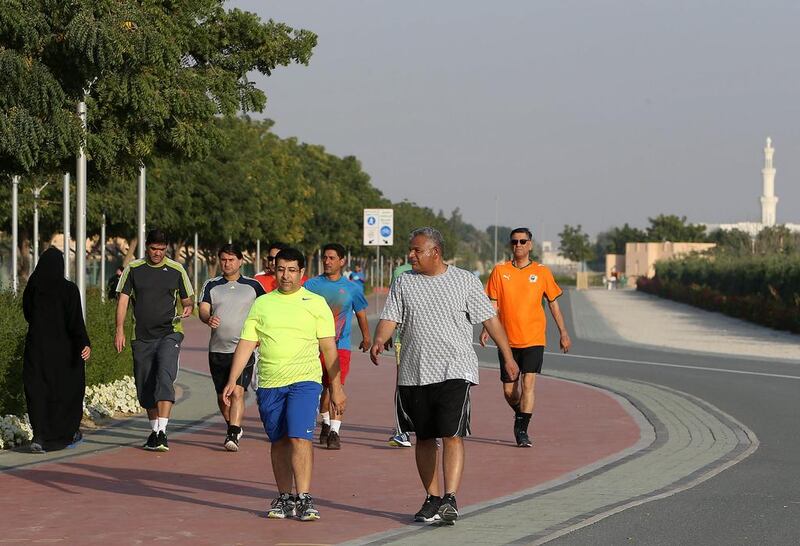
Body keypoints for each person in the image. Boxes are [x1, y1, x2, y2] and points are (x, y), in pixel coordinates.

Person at [370, 227, 519, 525]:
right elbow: (390, 318)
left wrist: (508, 355)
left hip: (455, 369)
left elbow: (489, 319)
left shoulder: (464, 281)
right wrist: (378, 339)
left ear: (435, 252)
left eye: (416, 250)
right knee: (425, 437)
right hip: (414, 371)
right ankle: (432, 497)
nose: (410, 255)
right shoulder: (404, 282)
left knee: (451, 434)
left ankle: (450, 497)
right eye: (410, 249)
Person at [223, 248, 346, 521]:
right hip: (269, 383)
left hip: (305, 381)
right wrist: (232, 380)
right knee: (278, 440)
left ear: (302, 273)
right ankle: (283, 496)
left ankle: (303, 497)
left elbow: (328, 349)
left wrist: (336, 386)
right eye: (281, 269)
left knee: (299, 437)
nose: (286, 276)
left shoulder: (315, 303)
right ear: (273, 270)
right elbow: (246, 343)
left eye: (292, 270)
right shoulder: (263, 303)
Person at [480, 228, 572, 447]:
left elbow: (553, 302)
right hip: (506, 341)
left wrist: (563, 332)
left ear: (530, 244)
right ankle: (522, 412)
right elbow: (493, 302)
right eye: (514, 242)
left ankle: (522, 431)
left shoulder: (542, 272)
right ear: (510, 245)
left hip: (534, 338)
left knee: (529, 383)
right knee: (509, 391)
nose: (518, 245)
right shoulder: (500, 271)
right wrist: (486, 328)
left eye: (523, 241)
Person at [115, 229, 194, 452]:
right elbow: (122, 301)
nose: (157, 253)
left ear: (166, 248)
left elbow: (188, 301)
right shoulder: (134, 269)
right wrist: (119, 330)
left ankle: (162, 432)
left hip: (170, 333)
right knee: (145, 385)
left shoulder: (176, 270)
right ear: (147, 247)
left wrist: (187, 308)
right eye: (153, 249)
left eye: (161, 249)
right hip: (141, 336)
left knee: (164, 376)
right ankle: (154, 431)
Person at [23, 248, 91, 453]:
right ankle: (64, 433)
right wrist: (84, 343)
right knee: (66, 390)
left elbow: (27, 314)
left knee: (38, 392)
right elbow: (75, 323)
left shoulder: (33, 288)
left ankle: (40, 435)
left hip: (37, 350)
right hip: (64, 352)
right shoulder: (68, 289)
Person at [199, 244, 265, 451]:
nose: (227, 264)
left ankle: (233, 433)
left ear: (240, 261)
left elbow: (266, 312)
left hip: (243, 350)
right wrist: (208, 318)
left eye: (231, 260)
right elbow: (203, 310)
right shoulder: (211, 285)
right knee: (222, 396)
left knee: (237, 392)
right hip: (218, 349)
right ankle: (232, 425)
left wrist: (261, 336)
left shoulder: (253, 287)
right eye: (224, 260)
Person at [304, 243, 371, 450]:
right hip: (314, 346)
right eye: (325, 257)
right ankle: (325, 423)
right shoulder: (311, 285)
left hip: (340, 346)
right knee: (321, 388)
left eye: (332, 258)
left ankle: (334, 431)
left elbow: (360, 314)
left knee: (336, 386)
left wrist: (367, 337)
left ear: (342, 261)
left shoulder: (353, 288)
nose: (327, 261)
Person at [387, 261, 413, 448]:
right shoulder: (401, 272)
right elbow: (392, 302)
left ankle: (431, 432)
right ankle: (401, 431)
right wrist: (385, 332)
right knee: (402, 383)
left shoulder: (440, 273)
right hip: (402, 338)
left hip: (431, 342)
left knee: (431, 385)